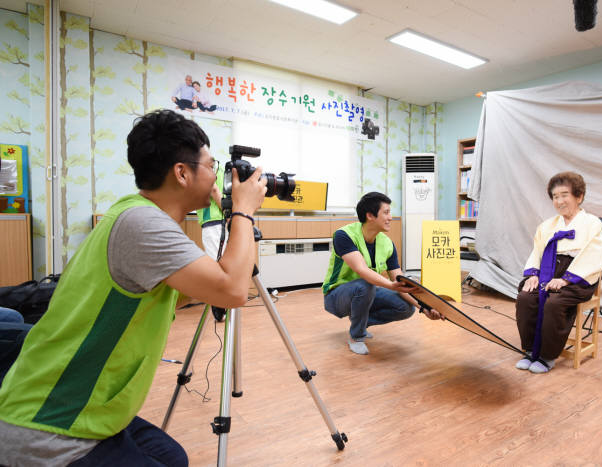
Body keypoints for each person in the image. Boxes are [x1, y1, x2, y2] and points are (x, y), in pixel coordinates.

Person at [0, 109, 267, 466]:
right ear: (182, 173)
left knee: (172, 457)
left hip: (95, 407)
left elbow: (208, 283)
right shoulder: (143, 225)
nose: (218, 179)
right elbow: (233, 291)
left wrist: (233, 210)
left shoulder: (141, 215)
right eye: (211, 165)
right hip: (52, 423)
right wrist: (244, 212)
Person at [322, 192, 443, 355]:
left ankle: (359, 322)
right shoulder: (344, 235)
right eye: (386, 212)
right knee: (365, 285)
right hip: (336, 296)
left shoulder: (387, 244)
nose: (390, 217)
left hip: (366, 291)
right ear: (370, 215)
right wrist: (391, 285)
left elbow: (400, 282)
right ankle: (357, 336)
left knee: (406, 307)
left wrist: (424, 307)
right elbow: (362, 270)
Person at [515, 171, 602, 374]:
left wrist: (566, 280)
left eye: (565, 195)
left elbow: (594, 257)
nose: (559, 201)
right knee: (525, 297)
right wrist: (533, 274)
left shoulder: (593, 225)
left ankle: (547, 356)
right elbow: (537, 252)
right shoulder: (546, 226)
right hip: (546, 272)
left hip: (576, 277)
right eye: (555, 196)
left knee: (554, 302)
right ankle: (531, 350)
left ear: (579, 196)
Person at [195, 160, 228, 320]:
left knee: (215, 266)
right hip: (219, 222)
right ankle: (222, 305)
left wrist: (228, 214)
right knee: (222, 264)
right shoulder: (222, 170)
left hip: (213, 222)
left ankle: (219, 307)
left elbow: (214, 190)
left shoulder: (209, 168)